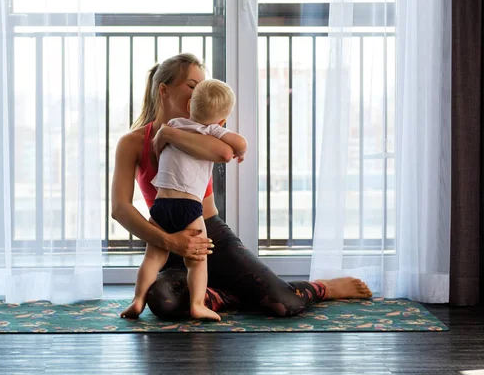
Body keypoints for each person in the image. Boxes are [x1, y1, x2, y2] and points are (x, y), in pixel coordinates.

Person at [111, 53, 372, 320]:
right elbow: (120, 208)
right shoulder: (131, 143)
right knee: (163, 301)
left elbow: (225, 153)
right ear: (163, 90)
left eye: (203, 86)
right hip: (165, 234)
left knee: (285, 305)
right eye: (192, 86)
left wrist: (167, 133)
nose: (200, 91)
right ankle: (232, 293)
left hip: (208, 233)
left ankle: (324, 288)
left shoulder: (203, 132)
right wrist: (169, 241)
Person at [120, 79, 247, 321]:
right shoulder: (211, 130)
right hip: (189, 205)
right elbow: (238, 145)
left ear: (190, 106)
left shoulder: (173, 126)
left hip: (161, 204)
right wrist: (240, 151)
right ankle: (198, 304)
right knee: (197, 260)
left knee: (153, 257)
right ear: (222, 120)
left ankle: (137, 300)